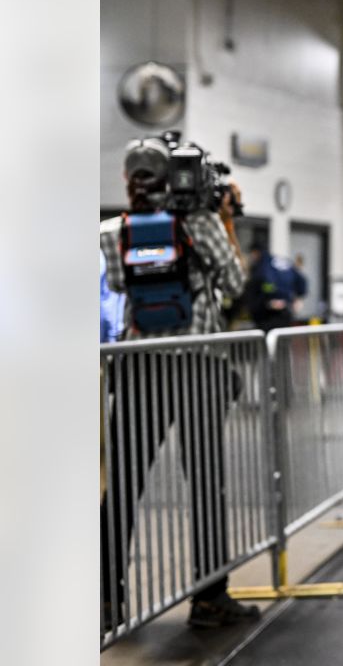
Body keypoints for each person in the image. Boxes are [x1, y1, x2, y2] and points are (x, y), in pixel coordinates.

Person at [99, 156, 260, 631]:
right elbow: (232, 285)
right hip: (197, 365)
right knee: (207, 484)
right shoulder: (204, 223)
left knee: (123, 487)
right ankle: (209, 598)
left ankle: (107, 603)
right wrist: (224, 220)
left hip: (138, 366)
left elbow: (114, 285)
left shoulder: (112, 231)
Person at [245, 241, 302, 332]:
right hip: (286, 312)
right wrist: (297, 297)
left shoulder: (264, 264)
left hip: (269, 314)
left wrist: (270, 297)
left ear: (256, 252)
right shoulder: (283, 262)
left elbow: (268, 282)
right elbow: (301, 281)